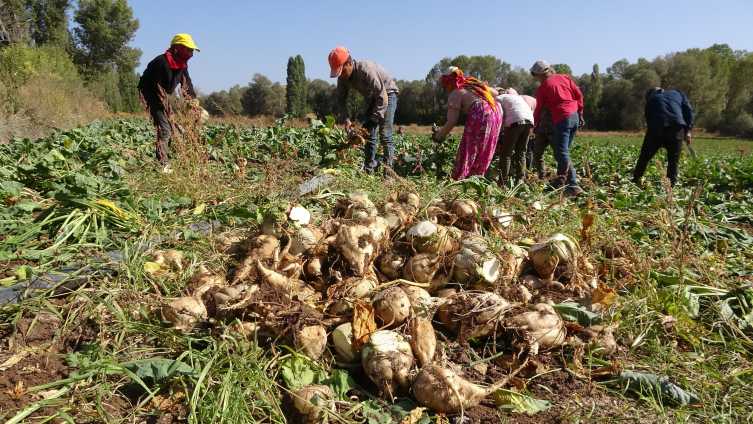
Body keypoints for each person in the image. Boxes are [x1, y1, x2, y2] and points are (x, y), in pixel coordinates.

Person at [329, 47, 398, 175]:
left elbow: (382, 96)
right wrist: (346, 120)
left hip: (387, 93)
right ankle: (368, 172)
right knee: (367, 135)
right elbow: (340, 99)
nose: (341, 75)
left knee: (385, 134)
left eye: (342, 71)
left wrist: (374, 119)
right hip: (370, 97)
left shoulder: (366, 70)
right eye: (338, 72)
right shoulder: (342, 78)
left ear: (349, 63)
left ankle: (388, 175)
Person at [138, 33, 200, 168]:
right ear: (177, 48)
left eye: (191, 51)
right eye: (187, 50)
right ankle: (162, 165)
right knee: (164, 129)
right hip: (150, 94)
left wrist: (192, 100)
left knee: (173, 128)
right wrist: (166, 112)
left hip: (162, 95)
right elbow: (157, 90)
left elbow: (186, 84)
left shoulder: (182, 65)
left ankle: (173, 156)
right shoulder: (162, 63)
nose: (190, 54)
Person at [431, 67, 502, 180]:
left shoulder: (456, 92)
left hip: (481, 113)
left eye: (445, 88)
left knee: (470, 147)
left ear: (449, 84)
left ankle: (461, 179)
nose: (446, 91)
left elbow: (452, 121)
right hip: (495, 112)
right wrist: (482, 86)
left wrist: (440, 135)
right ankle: (477, 179)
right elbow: (495, 93)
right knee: (484, 148)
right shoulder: (471, 84)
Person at [531, 60, 584, 196]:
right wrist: (581, 113)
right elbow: (578, 95)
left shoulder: (542, 88)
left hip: (562, 118)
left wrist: (533, 126)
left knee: (561, 153)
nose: (536, 78)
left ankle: (573, 184)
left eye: (535, 75)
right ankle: (560, 183)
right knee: (563, 152)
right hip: (574, 115)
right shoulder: (565, 77)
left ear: (540, 74)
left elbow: (538, 110)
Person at [633, 87, 695, 187]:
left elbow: (650, 121)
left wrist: (658, 140)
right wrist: (687, 131)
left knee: (644, 158)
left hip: (656, 129)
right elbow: (689, 112)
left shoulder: (651, 101)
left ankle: (635, 182)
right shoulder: (678, 93)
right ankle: (670, 188)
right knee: (673, 161)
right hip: (677, 128)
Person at [492, 89, 534, 187]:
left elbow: (500, 117)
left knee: (506, 153)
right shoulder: (515, 98)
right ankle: (520, 181)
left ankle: (503, 182)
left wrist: (499, 135)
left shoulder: (497, 99)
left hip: (515, 122)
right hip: (529, 122)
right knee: (521, 153)